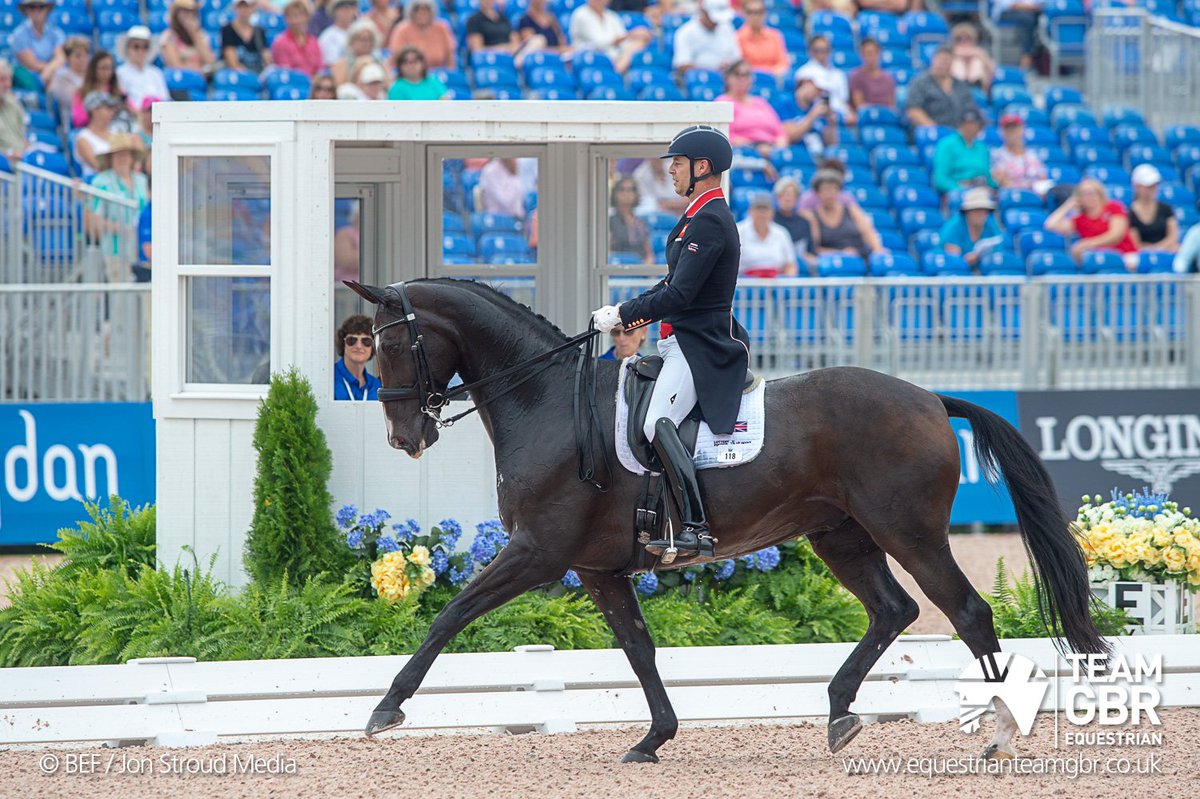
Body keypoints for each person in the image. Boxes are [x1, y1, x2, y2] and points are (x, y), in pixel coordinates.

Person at [590, 125, 748, 558]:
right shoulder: (695, 216)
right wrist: (626, 307)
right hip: (678, 339)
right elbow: (671, 282)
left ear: (702, 167)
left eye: (677, 164)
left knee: (654, 420)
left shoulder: (711, 220)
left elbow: (680, 295)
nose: (672, 173)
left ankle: (696, 526)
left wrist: (625, 315)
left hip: (700, 344)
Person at [87, 132, 150, 282]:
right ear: (111, 157)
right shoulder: (101, 182)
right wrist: (121, 228)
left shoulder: (141, 180)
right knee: (121, 297)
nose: (123, 158)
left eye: (126, 154)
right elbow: (95, 220)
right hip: (115, 250)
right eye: (118, 154)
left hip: (141, 249)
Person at [1044, 178, 1136, 265]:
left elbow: (1116, 235)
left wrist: (1086, 244)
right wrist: (1068, 205)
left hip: (1124, 255)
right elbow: (1050, 225)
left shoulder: (1114, 207)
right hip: (1098, 260)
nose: (1089, 197)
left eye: (1091, 193)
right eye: (1084, 194)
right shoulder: (1079, 219)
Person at [801, 169, 885, 259]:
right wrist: (841, 253)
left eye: (833, 189)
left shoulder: (851, 210)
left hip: (860, 256)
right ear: (817, 193)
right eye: (825, 190)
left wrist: (878, 250)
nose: (829, 194)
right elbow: (815, 249)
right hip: (832, 261)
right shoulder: (813, 217)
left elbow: (868, 231)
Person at [718, 61, 787, 156]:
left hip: (771, 150)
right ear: (728, 78)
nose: (742, 79)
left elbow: (779, 132)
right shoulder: (723, 102)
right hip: (743, 152)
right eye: (737, 74)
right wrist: (754, 148)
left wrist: (778, 148)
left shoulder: (761, 102)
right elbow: (724, 135)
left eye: (746, 75)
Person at [569, 0, 652, 74]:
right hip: (590, 57)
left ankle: (618, 71)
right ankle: (616, 72)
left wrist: (638, 39)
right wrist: (630, 35)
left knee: (638, 43)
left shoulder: (611, 16)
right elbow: (598, 43)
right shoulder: (581, 14)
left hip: (615, 56)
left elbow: (624, 43)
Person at [905, 46, 977, 129]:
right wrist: (934, 129)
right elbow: (913, 110)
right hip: (931, 132)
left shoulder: (960, 86)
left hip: (958, 134)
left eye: (947, 61)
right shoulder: (920, 83)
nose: (943, 65)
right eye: (941, 60)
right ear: (933, 61)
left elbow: (970, 110)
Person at [932, 108, 994, 196]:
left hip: (981, 190)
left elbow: (988, 178)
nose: (970, 127)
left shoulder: (982, 148)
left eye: (973, 123)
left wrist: (997, 182)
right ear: (960, 124)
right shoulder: (947, 145)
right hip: (959, 192)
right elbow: (940, 179)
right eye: (967, 123)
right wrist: (961, 190)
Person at [793, 35, 853, 125]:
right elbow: (807, 101)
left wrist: (849, 114)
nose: (821, 54)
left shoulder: (839, 74)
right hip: (818, 115)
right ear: (810, 51)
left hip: (840, 116)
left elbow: (843, 100)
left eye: (825, 50)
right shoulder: (804, 72)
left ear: (830, 51)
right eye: (817, 50)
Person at [938, 187, 1003, 269]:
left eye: (985, 211)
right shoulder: (953, 226)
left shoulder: (991, 225)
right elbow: (953, 259)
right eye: (976, 210)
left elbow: (998, 248)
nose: (981, 214)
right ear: (967, 212)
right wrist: (966, 260)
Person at [672, 0, 741, 75]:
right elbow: (683, 65)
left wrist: (729, 66)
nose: (716, 22)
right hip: (701, 79)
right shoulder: (685, 32)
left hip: (729, 79)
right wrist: (713, 71)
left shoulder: (727, 28)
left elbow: (737, 58)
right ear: (704, 12)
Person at [737, 193, 798, 277]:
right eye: (758, 209)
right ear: (750, 211)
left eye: (765, 209)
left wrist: (787, 281)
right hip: (745, 284)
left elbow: (791, 265)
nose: (762, 213)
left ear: (772, 212)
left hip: (776, 284)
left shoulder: (781, 232)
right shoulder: (739, 231)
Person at [10, 0, 65, 90]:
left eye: (41, 7)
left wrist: (49, 71)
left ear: (47, 10)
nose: (36, 11)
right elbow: (31, 63)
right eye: (32, 7)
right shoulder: (18, 34)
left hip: (51, 74)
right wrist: (49, 70)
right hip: (30, 76)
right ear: (27, 10)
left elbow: (60, 57)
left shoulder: (56, 32)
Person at [1127, 164, 1179, 260]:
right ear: (1136, 186)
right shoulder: (1129, 213)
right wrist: (1151, 251)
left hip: (1166, 250)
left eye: (1154, 186)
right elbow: (1135, 242)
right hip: (1141, 255)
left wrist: (1159, 249)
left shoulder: (1166, 209)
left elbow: (1173, 236)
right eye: (1147, 186)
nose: (1151, 190)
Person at [388, 0, 457, 69]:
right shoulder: (401, 30)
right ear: (411, 11)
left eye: (426, 8)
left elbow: (450, 58)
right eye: (417, 8)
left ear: (432, 11)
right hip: (410, 74)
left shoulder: (442, 28)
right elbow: (396, 58)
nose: (421, 12)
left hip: (438, 75)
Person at [991, 113, 1047, 193]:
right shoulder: (997, 155)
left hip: (1036, 196)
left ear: (1022, 129)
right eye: (1007, 129)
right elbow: (1002, 181)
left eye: (1014, 128)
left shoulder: (1031, 155)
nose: (1011, 132)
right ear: (1002, 132)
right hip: (1014, 196)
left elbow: (1043, 178)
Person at [781, 76, 838, 155]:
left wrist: (831, 123)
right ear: (806, 83)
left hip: (819, 155)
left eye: (821, 91)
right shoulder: (785, 103)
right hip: (798, 155)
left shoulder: (817, 107)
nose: (818, 93)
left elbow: (832, 144)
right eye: (817, 89)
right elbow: (790, 136)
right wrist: (812, 116)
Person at [117, 26, 170, 110]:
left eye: (145, 47)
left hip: (158, 117)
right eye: (136, 46)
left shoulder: (156, 72)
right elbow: (123, 101)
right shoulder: (119, 73)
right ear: (127, 48)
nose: (141, 51)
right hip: (132, 119)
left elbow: (165, 98)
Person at [334, 314, 383, 401]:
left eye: (366, 341)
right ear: (343, 343)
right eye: (352, 340)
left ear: (373, 346)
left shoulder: (377, 385)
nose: (359, 346)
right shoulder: (329, 378)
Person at [71, 50, 124, 129]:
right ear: (94, 69)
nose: (107, 72)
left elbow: (133, 111)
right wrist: (99, 112)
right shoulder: (82, 92)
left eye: (110, 68)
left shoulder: (118, 92)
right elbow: (78, 120)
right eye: (103, 68)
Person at [160, 0, 217, 73]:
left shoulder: (201, 35)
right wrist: (199, 69)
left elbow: (210, 61)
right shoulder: (168, 36)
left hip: (202, 80)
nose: (189, 15)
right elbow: (176, 66)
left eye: (191, 11)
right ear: (176, 14)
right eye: (185, 11)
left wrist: (195, 34)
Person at [74, 91, 122, 177]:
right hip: (94, 185)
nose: (112, 111)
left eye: (112, 108)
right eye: (108, 107)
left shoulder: (116, 132)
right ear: (94, 110)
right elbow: (98, 165)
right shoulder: (83, 138)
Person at [772, 177, 815, 272]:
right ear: (777, 197)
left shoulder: (804, 222)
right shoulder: (770, 220)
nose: (788, 198)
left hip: (800, 263)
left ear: (797, 199)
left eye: (791, 195)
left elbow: (810, 250)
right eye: (784, 194)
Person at [735, 0, 789, 77]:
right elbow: (740, 65)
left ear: (765, 14)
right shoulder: (738, 37)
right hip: (748, 78)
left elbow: (783, 63)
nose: (755, 16)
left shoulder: (775, 36)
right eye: (750, 12)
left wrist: (770, 73)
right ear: (744, 14)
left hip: (772, 77)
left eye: (759, 12)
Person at [271, 0, 324, 77]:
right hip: (292, 84)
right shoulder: (280, 42)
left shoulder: (313, 41)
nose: (298, 20)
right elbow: (286, 71)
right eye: (294, 16)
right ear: (287, 19)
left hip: (314, 84)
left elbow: (320, 68)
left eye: (302, 15)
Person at [609, 176, 654, 264]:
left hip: (640, 268)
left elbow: (649, 253)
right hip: (618, 268)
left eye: (631, 189)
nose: (627, 193)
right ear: (615, 193)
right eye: (622, 189)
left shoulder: (641, 222)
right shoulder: (610, 221)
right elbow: (607, 251)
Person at [221, 0, 272, 74]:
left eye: (247, 6)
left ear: (253, 8)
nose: (244, 10)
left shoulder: (260, 31)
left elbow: (266, 59)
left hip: (257, 73)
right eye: (241, 7)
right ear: (235, 8)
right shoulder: (227, 30)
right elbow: (232, 63)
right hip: (238, 76)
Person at [991, 0, 1043, 71]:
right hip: (1004, 12)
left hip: (1029, 11)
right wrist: (1029, 7)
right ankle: (1026, 57)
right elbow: (1010, 5)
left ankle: (1041, 60)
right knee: (1028, 19)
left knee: (1044, 16)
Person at [332, 19, 385, 86]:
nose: (367, 43)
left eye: (370, 40)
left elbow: (388, 85)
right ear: (352, 41)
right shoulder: (342, 63)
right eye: (363, 39)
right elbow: (339, 88)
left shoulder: (380, 62)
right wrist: (357, 71)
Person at [849, 38, 896, 111]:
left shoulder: (888, 78)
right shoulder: (856, 76)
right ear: (862, 55)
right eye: (867, 53)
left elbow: (891, 105)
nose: (871, 57)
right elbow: (859, 104)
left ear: (879, 53)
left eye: (873, 53)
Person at [47, 35, 89, 114]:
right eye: (78, 56)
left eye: (85, 55)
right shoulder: (61, 76)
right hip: (71, 119)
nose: (83, 59)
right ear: (68, 58)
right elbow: (70, 100)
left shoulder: (91, 76)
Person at [949, 22, 994, 92]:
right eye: (959, 39)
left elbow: (993, 73)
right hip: (956, 90)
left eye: (967, 38)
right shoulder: (949, 53)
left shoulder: (980, 53)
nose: (963, 42)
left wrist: (981, 56)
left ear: (974, 40)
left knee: (977, 62)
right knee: (957, 62)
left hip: (979, 89)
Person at [319, 0, 360, 69]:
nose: (348, 11)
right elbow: (330, 64)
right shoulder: (328, 36)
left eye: (352, 7)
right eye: (343, 7)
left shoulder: (362, 31)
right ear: (335, 11)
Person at [0, 61, 27, 162]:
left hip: (22, 163)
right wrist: (8, 154)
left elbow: (23, 137)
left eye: (9, 79)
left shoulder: (15, 105)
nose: (8, 84)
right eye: (2, 79)